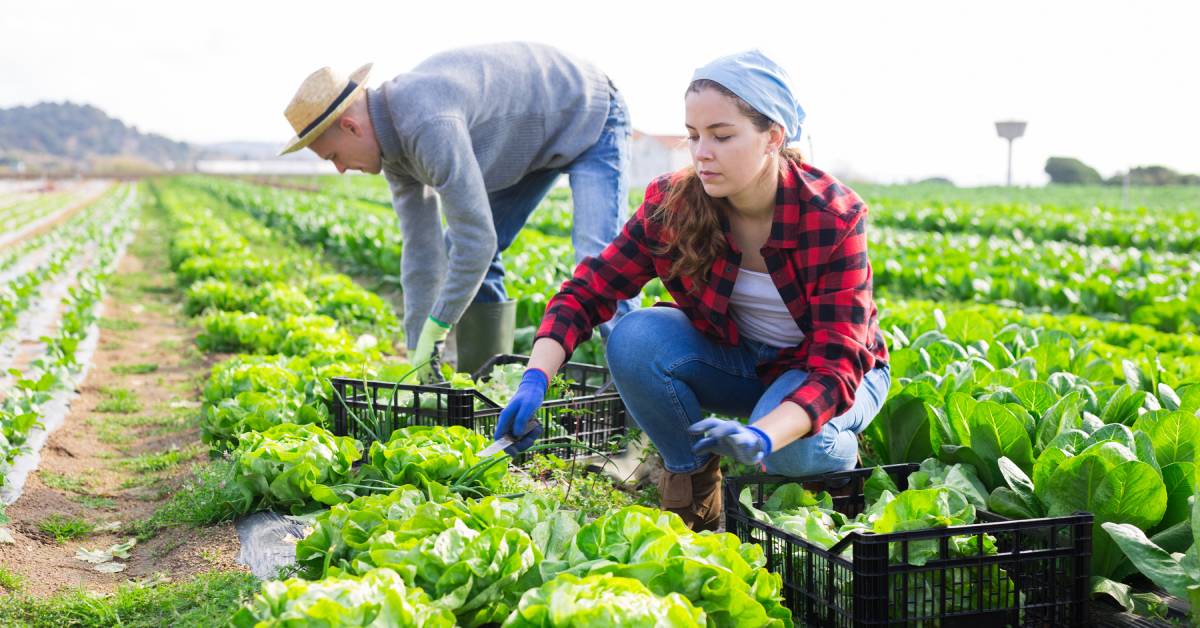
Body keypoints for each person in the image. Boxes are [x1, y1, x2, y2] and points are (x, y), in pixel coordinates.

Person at [496, 50, 890, 531]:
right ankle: (692, 480)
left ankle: (839, 460)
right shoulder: (674, 205)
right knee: (635, 336)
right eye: (694, 135)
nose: (702, 151)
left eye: (722, 136)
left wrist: (764, 437)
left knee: (799, 449)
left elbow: (836, 366)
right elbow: (587, 292)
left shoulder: (832, 217)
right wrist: (534, 380)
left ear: (773, 137)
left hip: (828, 372)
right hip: (742, 360)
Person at [279, 42, 637, 379]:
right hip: (532, 140)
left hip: (590, 114)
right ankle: (489, 381)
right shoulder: (394, 153)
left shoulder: (426, 123)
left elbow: (476, 244)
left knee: (598, 264)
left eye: (333, 157)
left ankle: (634, 407)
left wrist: (439, 326)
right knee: (459, 248)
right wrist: (418, 345)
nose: (340, 169)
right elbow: (421, 251)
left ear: (351, 126)